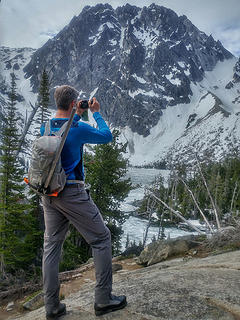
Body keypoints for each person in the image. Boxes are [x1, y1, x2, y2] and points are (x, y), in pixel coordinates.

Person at [41, 85, 127, 319]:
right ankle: (103, 299)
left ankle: (52, 307)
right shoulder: (77, 129)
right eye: (76, 103)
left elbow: (64, 133)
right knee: (101, 239)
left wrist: (77, 114)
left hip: (49, 194)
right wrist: (96, 112)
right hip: (72, 193)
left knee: (51, 248)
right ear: (72, 104)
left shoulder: (46, 126)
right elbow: (106, 136)